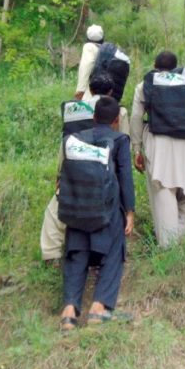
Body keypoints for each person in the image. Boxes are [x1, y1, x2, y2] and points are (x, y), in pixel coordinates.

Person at [58, 96, 135, 331]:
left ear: (93, 117)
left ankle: (69, 312)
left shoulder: (75, 139)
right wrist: (129, 212)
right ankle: (98, 308)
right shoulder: (119, 140)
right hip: (106, 210)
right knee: (115, 250)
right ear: (115, 121)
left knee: (76, 252)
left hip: (77, 207)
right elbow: (125, 177)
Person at [40, 73, 128, 265]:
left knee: (55, 210)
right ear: (111, 91)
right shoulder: (118, 111)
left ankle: (52, 254)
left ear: (89, 88)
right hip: (104, 169)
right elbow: (122, 141)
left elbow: (64, 144)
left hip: (74, 167)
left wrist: (60, 174)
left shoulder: (75, 109)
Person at [129, 51, 185, 247]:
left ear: (155, 66)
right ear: (176, 67)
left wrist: (137, 148)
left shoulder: (144, 86)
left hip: (159, 144)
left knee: (164, 192)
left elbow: (136, 118)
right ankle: (184, 238)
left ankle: (169, 245)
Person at [74, 24, 131, 102]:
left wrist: (80, 90)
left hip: (91, 95)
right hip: (107, 96)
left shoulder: (89, 47)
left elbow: (86, 66)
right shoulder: (106, 51)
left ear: (87, 37)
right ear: (102, 37)